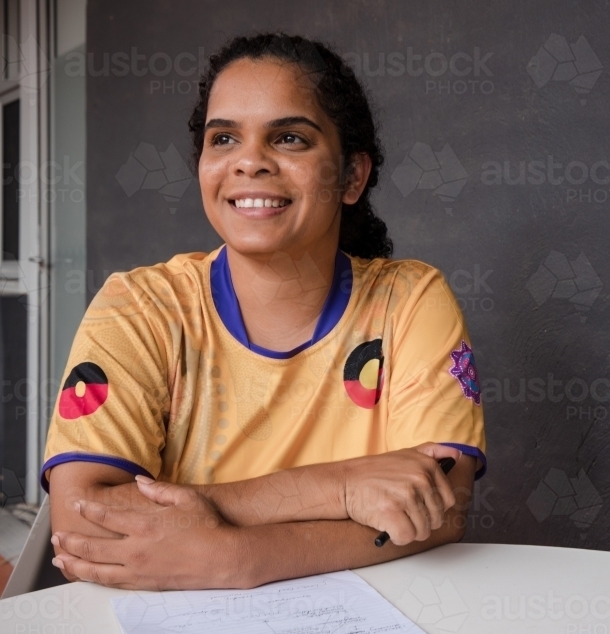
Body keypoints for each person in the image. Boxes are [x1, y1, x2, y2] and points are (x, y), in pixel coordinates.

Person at [41, 32, 486, 591]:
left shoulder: (410, 300)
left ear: (352, 177)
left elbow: (441, 508)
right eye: (224, 137)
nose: (249, 161)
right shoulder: (138, 308)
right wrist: (341, 488)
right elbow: (85, 527)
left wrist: (238, 557)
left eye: (290, 138)